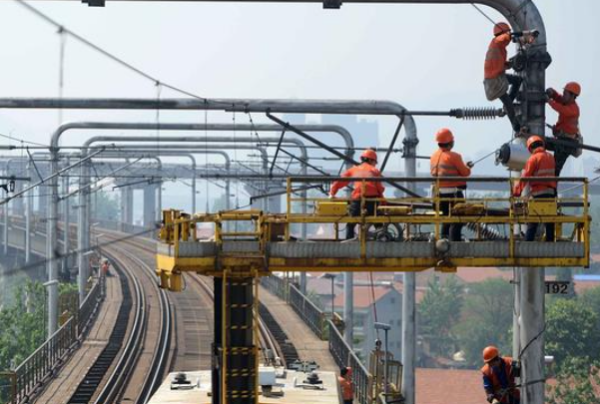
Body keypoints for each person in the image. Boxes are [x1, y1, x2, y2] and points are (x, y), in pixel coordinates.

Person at [484, 22, 537, 132]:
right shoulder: (496, 41)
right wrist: (527, 33)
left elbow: (501, 65)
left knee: (517, 80)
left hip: (497, 77)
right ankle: (517, 127)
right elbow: (505, 37)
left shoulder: (499, 48)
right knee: (508, 104)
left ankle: (508, 108)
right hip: (494, 82)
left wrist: (511, 63)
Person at [330, 149, 385, 239]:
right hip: (372, 202)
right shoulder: (374, 170)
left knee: (351, 224)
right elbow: (380, 188)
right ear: (371, 160)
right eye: (375, 162)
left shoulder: (354, 169)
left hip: (357, 201)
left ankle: (349, 242)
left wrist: (332, 193)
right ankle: (382, 238)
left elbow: (339, 181)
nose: (375, 164)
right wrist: (383, 200)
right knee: (377, 222)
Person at [430, 128, 473, 241]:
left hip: (438, 196)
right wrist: (468, 167)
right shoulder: (454, 156)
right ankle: (455, 244)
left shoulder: (433, 157)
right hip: (453, 196)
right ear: (450, 142)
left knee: (447, 219)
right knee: (458, 220)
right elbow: (465, 173)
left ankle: (444, 241)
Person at [512, 135, 557, 242]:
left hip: (538, 195)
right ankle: (551, 246)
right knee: (550, 223)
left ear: (530, 148)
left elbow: (525, 177)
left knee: (533, 223)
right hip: (551, 194)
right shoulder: (550, 157)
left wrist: (516, 192)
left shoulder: (533, 159)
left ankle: (528, 246)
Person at [546, 82, 581, 175]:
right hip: (561, 140)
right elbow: (558, 98)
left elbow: (560, 108)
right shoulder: (567, 102)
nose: (563, 95)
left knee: (555, 169)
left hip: (567, 143)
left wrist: (549, 101)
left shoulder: (574, 109)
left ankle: (552, 183)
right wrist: (552, 93)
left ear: (572, 96)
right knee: (540, 143)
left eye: (565, 93)